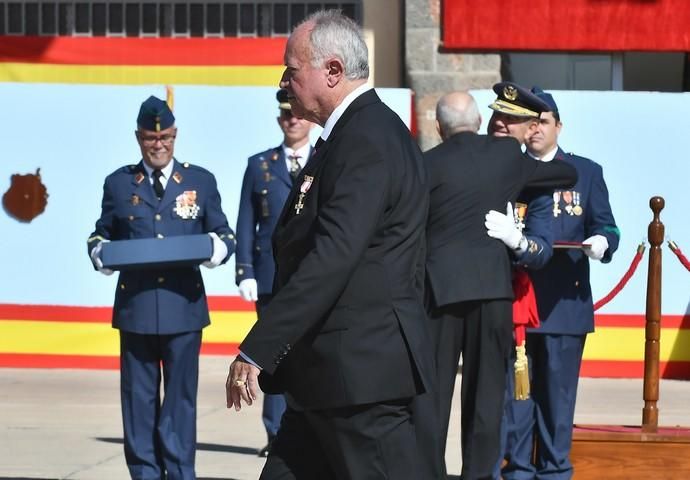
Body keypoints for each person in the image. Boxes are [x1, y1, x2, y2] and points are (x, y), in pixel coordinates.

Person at [225, 10, 431, 479]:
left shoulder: (368, 139)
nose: (283, 82)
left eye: (292, 70)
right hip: (324, 379)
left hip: (359, 380)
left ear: (332, 71)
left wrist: (258, 348)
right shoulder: (347, 137)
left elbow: (332, 255)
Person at [420, 91, 577, 480]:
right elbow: (566, 174)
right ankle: (477, 475)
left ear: (438, 127)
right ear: (477, 123)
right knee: (486, 396)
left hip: (438, 292)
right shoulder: (507, 157)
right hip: (490, 291)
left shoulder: (426, 163)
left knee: (432, 396)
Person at [87, 95, 236, 480]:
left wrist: (216, 249)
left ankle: (180, 470)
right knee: (138, 400)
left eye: (166, 137)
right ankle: (144, 472)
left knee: (181, 401)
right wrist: (100, 253)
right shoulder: (119, 184)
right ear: (139, 138)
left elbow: (223, 232)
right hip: (136, 309)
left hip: (183, 307)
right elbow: (101, 234)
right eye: (151, 139)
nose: (159, 145)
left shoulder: (200, 181)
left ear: (175, 136)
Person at [499, 88, 620, 480]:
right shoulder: (507, 171)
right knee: (517, 398)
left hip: (564, 304)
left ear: (558, 126)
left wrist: (602, 242)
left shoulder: (585, 172)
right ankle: (517, 469)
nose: (536, 129)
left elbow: (607, 225)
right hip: (516, 301)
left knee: (557, 398)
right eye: (529, 122)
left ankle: (553, 471)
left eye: (544, 121)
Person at [234, 88, 314, 457]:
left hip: (311, 278)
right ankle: (275, 433)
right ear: (278, 118)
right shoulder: (260, 165)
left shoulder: (322, 160)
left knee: (309, 354)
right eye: (285, 114)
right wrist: (245, 270)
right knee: (270, 355)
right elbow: (246, 221)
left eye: (296, 114)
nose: (292, 120)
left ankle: (308, 426)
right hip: (269, 277)